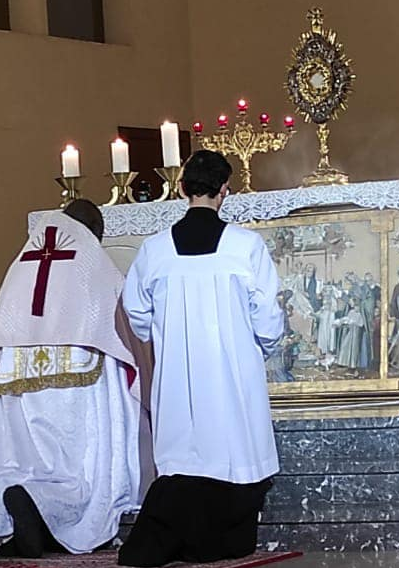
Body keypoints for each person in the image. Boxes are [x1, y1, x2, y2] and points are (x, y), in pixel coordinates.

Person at [0, 200, 146, 559]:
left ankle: (16, 510)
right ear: (96, 232)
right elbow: (122, 317)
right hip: (78, 377)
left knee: (24, 459)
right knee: (79, 463)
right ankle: (49, 505)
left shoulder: (22, 263)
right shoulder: (91, 261)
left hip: (15, 371)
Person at [119, 150, 284, 567]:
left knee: (182, 453)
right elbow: (267, 318)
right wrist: (259, 347)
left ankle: (170, 539)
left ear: (181, 188)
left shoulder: (154, 250)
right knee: (232, 446)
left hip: (177, 373)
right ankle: (226, 541)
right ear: (225, 191)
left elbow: (135, 313)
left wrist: (163, 335)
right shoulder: (245, 246)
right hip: (232, 373)